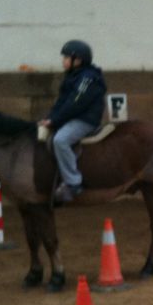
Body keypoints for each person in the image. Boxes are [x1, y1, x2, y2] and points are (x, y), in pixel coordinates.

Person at [39, 40, 106, 203]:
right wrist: (49, 118)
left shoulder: (87, 79)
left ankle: (73, 183)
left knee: (60, 140)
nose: (63, 61)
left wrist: (55, 120)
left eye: (66, 57)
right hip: (73, 117)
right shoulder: (72, 77)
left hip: (85, 120)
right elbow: (62, 102)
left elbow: (75, 103)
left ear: (78, 60)